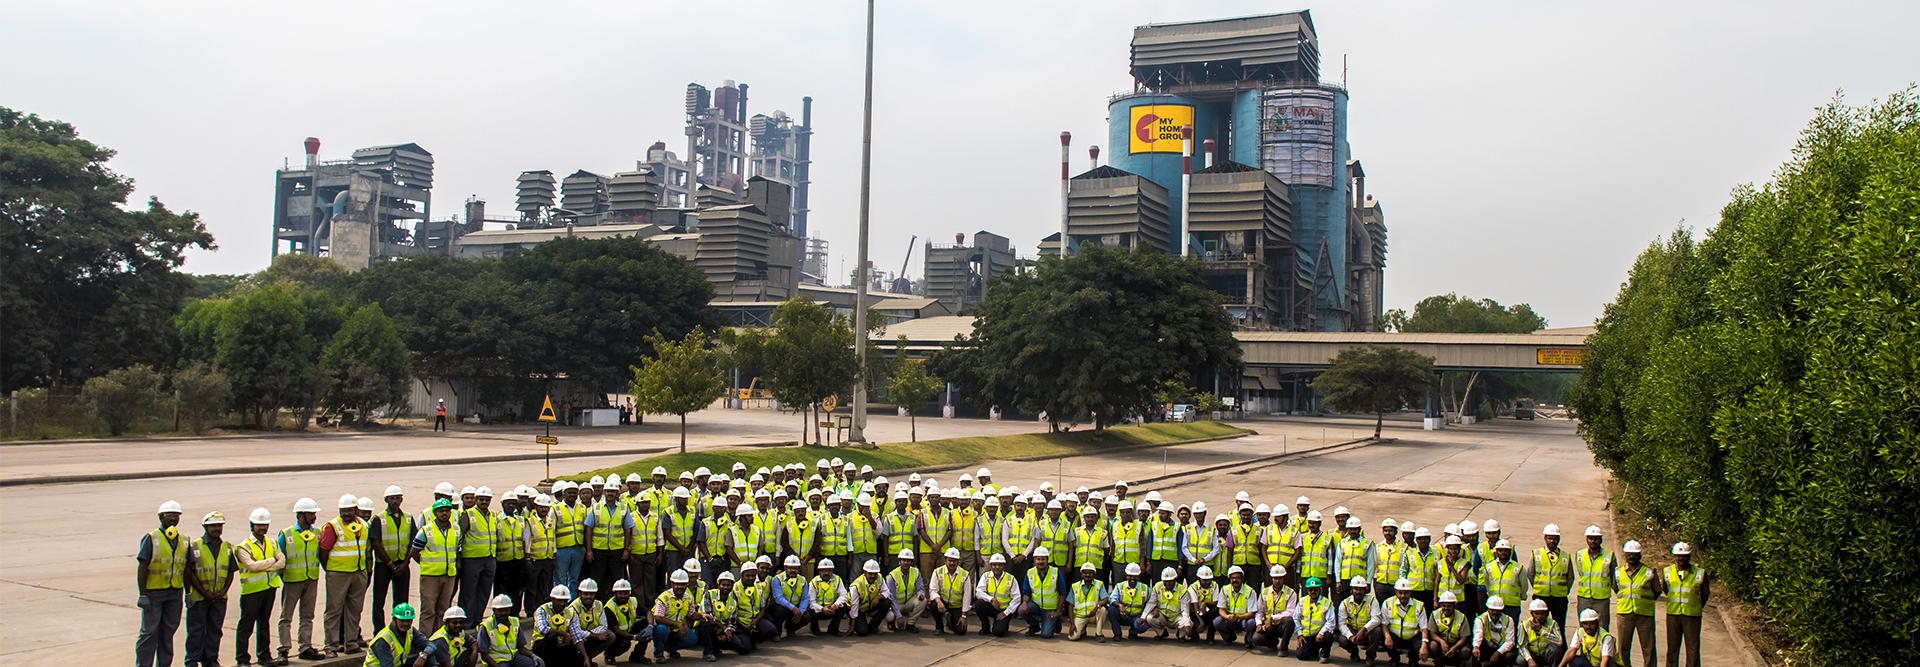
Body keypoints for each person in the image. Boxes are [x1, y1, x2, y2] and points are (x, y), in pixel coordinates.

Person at [319, 494, 371, 656]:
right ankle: (331, 646)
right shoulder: (332, 526)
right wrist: (329, 569)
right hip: (338, 574)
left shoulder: (363, 524)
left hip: (358, 572)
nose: (346, 514)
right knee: (334, 610)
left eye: (349, 510)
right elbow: (323, 550)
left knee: (354, 610)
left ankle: (351, 643)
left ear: (356, 510)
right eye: (343, 511)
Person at [138, 500, 188, 667]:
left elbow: (187, 569)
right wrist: (143, 594)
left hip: (174, 592)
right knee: (149, 633)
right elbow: (142, 567)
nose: (173, 519)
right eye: (169, 515)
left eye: (176, 515)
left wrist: (188, 593)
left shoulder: (184, 540)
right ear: (161, 517)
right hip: (154, 593)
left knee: (168, 633)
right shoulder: (151, 538)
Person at [185, 511, 237, 667]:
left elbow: (230, 572)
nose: (216, 528)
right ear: (205, 527)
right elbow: (191, 573)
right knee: (196, 631)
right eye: (213, 526)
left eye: (219, 526)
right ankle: (192, 661)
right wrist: (204, 592)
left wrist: (223, 591)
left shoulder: (228, 548)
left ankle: (211, 660)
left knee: (215, 630)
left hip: (219, 598)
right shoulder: (194, 547)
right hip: (200, 598)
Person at [235, 508, 285, 667]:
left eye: (265, 525)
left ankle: (264, 656)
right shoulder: (243, 547)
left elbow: (282, 562)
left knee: (264, 624)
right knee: (246, 626)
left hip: (269, 588)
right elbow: (251, 567)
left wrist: (263, 564)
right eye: (258, 525)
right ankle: (242, 659)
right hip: (251, 592)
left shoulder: (272, 542)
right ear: (251, 525)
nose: (262, 528)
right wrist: (272, 561)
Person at [276, 498, 323, 664]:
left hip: (311, 580)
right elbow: (279, 559)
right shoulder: (286, 534)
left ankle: (305, 647)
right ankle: (284, 649)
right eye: (311, 514)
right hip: (292, 581)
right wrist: (284, 577)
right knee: (286, 617)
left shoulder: (317, 533)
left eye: (314, 514)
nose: (314, 517)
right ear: (300, 515)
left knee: (307, 616)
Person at [369, 486, 416, 631]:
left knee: (402, 601)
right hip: (384, 565)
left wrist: (406, 562)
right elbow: (376, 544)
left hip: (402, 564)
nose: (395, 502)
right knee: (379, 602)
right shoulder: (378, 519)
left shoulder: (408, 518)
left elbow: (412, 541)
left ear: (401, 499)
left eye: (397, 498)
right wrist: (390, 564)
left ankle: (398, 629)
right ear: (386, 500)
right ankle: (379, 631)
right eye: (392, 498)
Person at [1661, 542, 1708, 667]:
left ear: (1689, 556)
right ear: (1674, 556)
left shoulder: (1700, 573)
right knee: (1672, 648)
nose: (1681, 558)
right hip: (1673, 614)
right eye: (1678, 556)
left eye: (1684, 556)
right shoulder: (1666, 572)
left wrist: (1695, 606)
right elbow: (1666, 590)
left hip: (1692, 615)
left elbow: (1705, 594)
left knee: (1692, 649)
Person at [1613, 540, 1657, 667]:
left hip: (1645, 614)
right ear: (1625, 555)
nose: (1632, 556)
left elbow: (1657, 591)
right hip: (1624, 614)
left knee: (1648, 648)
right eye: (1629, 554)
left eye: (1635, 554)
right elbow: (1616, 589)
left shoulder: (1649, 572)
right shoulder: (1617, 572)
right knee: (1623, 648)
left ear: (1640, 555)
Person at [459, 487, 500, 621]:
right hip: (472, 560)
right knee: (468, 593)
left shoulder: (493, 515)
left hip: (489, 559)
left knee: (484, 592)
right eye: (481, 499)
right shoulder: (468, 514)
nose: (484, 502)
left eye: (487, 500)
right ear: (476, 500)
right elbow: (459, 538)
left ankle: (477, 619)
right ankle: (465, 622)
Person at [1530, 524, 1574, 629]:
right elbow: (1530, 574)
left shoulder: (1565, 556)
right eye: (1549, 538)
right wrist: (1538, 587)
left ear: (1559, 539)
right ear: (1545, 538)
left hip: (1559, 598)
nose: (1552, 541)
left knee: (1559, 627)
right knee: (1538, 626)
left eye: (1554, 539)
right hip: (1541, 596)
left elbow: (1570, 577)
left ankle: (1559, 645)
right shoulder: (1536, 554)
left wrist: (1563, 590)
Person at [1376, 578, 1427, 667]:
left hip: (1413, 638)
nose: (1403, 595)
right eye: (1400, 593)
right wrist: (1387, 637)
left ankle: (1413, 659)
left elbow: (1424, 628)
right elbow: (1384, 624)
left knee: (1422, 644)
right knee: (1384, 638)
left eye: (1406, 593)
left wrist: (1424, 645)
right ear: (1396, 592)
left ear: (1410, 592)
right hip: (1395, 637)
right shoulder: (1388, 603)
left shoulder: (1419, 605)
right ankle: (1394, 658)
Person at [531, 585, 585, 667]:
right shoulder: (542, 610)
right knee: (552, 638)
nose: (562, 604)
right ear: (552, 599)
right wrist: (563, 634)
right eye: (559, 601)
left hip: (559, 646)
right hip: (541, 646)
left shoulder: (570, 613)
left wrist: (586, 658)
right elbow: (542, 629)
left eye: (564, 601)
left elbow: (576, 636)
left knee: (578, 661)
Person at [1573, 526, 1616, 630]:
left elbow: (1613, 577)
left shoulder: (1609, 556)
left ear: (1601, 539)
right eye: (1590, 538)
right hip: (1584, 597)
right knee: (1584, 628)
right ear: (1586, 539)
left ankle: (1602, 647)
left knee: (1602, 628)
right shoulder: (1580, 555)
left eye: (1596, 538)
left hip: (1601, 598)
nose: (1593, 541)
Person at [478, 595, 539, 667]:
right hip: (497, 661)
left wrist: (533, 656)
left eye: (506, 610)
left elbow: (521, 647)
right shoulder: (486, 626)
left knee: (532, 664)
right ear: (494, 610)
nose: (503, 613)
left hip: (514, 658)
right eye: (500, 610)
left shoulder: (515, 622)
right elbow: (484, 654)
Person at [1335, 576, 1383, 664]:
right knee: (1342, 639)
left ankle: (1370, 656)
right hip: (1353, 631)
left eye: (1361, 589)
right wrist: (1350, 636)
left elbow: (1377, 619)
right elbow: (1342, 624)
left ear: (1365, 590)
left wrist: (1364, 629)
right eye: (1355, 589)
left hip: (1366, 632)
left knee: (1377, 631)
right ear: (1351, 590)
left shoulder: (1372, 601)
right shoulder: (1344, 603)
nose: (1358, 592)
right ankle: (1354, 653)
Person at [1249, 565, 1297, 653]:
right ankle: (1272, 643)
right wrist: (1259, 624)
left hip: (1281, 626)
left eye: (1280, 578)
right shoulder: (1264, 592)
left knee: (1289, 621)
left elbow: (1290, 612)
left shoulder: (1291, 593)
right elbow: (1259, 611)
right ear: (1271, 579)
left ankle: (1283, 648)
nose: (1277, 581)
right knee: (1256, 638)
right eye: (1275, 578)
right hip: (1268, 627)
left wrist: (1272, 618)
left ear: (1284, 579)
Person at [363, 604, 429, 667]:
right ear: (394, 619)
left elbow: (431, 645)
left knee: (429, 657)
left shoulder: (410, 630)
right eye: (402, 620)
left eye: (408, 621)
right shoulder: (383, 639)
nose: (405, 624)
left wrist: (423, 656)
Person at [603, 580, 650, 665]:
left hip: (629, 628)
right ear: (615, 593)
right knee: (625, 644)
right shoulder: (609, 607)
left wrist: (650, 626)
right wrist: (635, 637)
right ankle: (609, 655)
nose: (623, 596)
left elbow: (648, 613)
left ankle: (637, 656)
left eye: (626, 593)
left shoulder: (633, 600)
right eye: (620, 593)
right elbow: (616, 630)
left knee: (647, 626)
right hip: (617, 634)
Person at [568, 579, 614, 663]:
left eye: (591, 594)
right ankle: (580, 660)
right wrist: (594, 635)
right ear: (580, 594)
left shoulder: (599, 604)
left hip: (588, 636)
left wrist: (590, 634)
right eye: (585, 594)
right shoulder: (573, 608)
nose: (588, 596)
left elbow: (603, 626)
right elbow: (576, 632)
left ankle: (585, 659)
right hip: (576, 639)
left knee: (610, 636)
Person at [767, 555, 814, 637]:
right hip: (781, 606)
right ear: (785, 568)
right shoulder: (777, 579)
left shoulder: (802, 580)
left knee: (807, 616)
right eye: (790, 568)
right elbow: (778, 598)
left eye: (795, 568)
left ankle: (790, 629)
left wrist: (800, 612)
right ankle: (777, 633)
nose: (793, 570)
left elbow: (805, 598)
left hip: (795, 607)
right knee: (780, 611)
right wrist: (793, 608)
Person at [1021, 547, 1063, 638]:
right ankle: (1034, 626)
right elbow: (1026, 592)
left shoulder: (1055, 572)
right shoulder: (1030, 572)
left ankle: (1056, 620)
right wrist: (1024, 603)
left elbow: (1062, 593)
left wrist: (1058, 611)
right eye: (1038, 559)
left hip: (1050, 609)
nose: (1040, 562)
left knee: (1046, 635)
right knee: (1021, 610)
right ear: (1035, 560)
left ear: (1047, 560)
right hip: (1036, 605)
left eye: (1043, 559)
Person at [1212, 566, 1258, 647]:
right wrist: (1227, 616)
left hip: (1244, 619)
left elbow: (1252, 613)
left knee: (1251, 623)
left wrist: (1239, 617)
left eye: (1237, 578)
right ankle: (1229, 638)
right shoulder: (1224, 589)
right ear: (1230, 579)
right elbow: (1221, 609)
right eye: (1232, 578)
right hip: (1230, 618)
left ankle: (1248, 640)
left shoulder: (1250, 591)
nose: (1235, 580)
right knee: (1217, 622)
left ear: (1241, 579)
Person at [930, 548, 972, 636]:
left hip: (957, 606)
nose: (952, 563)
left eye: (954, 561)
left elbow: (967, 596)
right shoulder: (937, 572)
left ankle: (950, 622)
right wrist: (938, 601)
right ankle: (939, 627)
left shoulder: (965, 575)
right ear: (945, 561)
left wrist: (964, 615)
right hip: (943, 603)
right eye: (950, 560)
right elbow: (933, 590)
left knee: (961, 631)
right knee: (933, 604)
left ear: (958, 562)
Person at [1294, 578, 1337, 661]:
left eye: (1315, 590)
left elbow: (1331, 622)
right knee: (1301, 656)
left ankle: (1325, 655)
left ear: (1320, 590)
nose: (1313, 592)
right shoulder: (1302, 601)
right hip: (1306, 636)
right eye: (1310, 590)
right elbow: (1296, 618)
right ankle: (1314, 651)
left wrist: (1321, 632)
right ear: (1307, 590)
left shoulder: (1326, 603)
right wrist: (1299, 634)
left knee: (1329, 636)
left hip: (1320, 635)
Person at [883, 548, 926, 633]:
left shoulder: (916, 572)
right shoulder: (892, 576)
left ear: (911, 562)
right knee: (890, 616)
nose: (906, 562)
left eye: (908, 560)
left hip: (908, 603)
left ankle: (910, 624)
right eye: (904, 560)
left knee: (923, 600)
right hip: (896, 604)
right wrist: (898, 616)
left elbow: (920, 588)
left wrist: (920, 594)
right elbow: (891, 598)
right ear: (899, 562)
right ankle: (891, 622)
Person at [1104, 562, 1148, 641]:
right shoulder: (1119, 586)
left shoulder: (1145, 588)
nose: (1132, 578)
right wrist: (1120, 606)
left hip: (1136, 617)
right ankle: (1117, 633)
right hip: (1122, 616)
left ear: (1139, 575)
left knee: (1145, 623)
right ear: (1126, 575)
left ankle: (1133, 632)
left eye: (1134, 576)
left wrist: (1143, 617)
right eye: (1130, 575)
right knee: (1111, 610)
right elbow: (1112, 599)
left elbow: (1150, 603)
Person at [1064, 562, 1108, 642]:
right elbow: (1070, 605)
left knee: (1102, 610)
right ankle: (1082, 630)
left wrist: (1097, 606)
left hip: (1093, 615)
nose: (1087, 575)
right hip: (1080, 616)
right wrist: (1072, 624)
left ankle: (1099, 634)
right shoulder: (1075, 586)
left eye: (1090, 573)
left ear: (1094, 574)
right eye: (1085, 573)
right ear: (1081, 574)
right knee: (1072, 637)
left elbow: (1105, 599)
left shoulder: (1099, 584)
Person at [1426, 591, 1470, 667]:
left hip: (1456, 644)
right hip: (1441, 643)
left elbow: (1464, 638)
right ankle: (1439, 663)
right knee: (1433, 646)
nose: (1446, 608)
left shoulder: (1462, 617)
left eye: (1449, 606)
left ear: (1454, 606)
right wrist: (1442, 642)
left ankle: (1460, 664)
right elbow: (1432, 634)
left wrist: (1455, 648)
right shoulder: (1434, 614)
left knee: (1466, 651)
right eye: (1444, 606)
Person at [807, 558, 849, 636]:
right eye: (823, 571)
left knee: (843, 607)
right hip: (819, 610)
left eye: (829, 570)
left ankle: (833, 629)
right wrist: (822, 609)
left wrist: (835, 605)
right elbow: (811, 601)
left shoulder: (837, 579)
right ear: (819, 572)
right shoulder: (813, 582)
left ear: (832, 571)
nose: (826, 573)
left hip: (832, 609)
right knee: (810, 609)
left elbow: (844, 595)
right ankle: (814, 628)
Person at [849, 560, 892, 636]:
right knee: (862, 632)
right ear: (865, 573)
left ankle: (873, 626)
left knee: (886, 602)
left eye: (875, 574)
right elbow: (854, 606)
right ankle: (855, 623)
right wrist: (852, 626)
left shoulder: (879, 578)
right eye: (870, 574)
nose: (873, 576)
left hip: (870, 604)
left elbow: (887, 592)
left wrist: (878, 598)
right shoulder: (856, 585)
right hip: (858, 609)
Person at [1519, 599, 1566, 667]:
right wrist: (1530, 660)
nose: (1540, 616)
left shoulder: (1552, 623)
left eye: (1542, 613)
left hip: (1547, 655)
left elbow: (1559, 641)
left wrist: (1541, 630)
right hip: (1533, 655)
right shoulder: (1525, 625)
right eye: (1537, 613)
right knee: (1521, 660)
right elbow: (1522, 646)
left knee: (1555, 650)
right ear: (1531, 613)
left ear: (1547, 613)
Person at [1476, 596, 1519, 666]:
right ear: (1488, 609)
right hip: (1486, 648)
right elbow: (1478, 636)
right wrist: (1476, 647)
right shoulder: (1480, 619)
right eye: (1492, 610)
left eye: (1498, 610)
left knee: (1510, 656)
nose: (1495, 612)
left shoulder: (1509, 620)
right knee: (1475, 650)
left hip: (1500, 649)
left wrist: (1497, 653)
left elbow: (1510, 642)